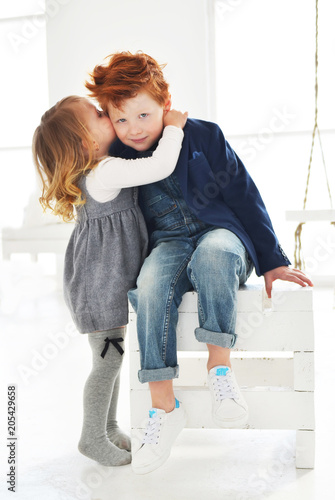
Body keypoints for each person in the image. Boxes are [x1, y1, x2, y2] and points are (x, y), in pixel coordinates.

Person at [86, 51, 313, 474]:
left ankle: (219, 370)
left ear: (166, 105)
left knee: (215, 254)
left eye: (143, 114)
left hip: (219, 231)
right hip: (168, 241)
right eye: (121, 119)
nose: (133, 128)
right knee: (150, 283)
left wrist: (271, 260)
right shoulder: (119, 157)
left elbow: (245, 194)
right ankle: (163, 408)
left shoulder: (204, 135)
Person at [32, 94, 187, 467]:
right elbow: (160, 166)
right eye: (101, 115)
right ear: (86, 141)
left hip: (98, 282)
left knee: (110, 360)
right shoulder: (105, 171)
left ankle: (110, 428)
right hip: (99, 288)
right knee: (107, 363)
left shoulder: (98, 169)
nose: (109, 116)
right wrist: (174, 129)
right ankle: (91, 437)